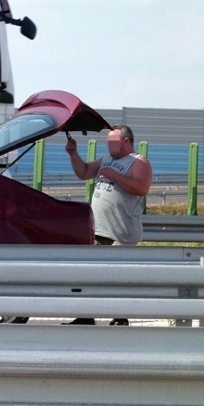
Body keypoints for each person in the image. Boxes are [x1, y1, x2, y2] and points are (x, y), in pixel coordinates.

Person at [64, 124, 153, 326]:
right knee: (89, 274)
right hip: (98, 228)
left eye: (113, 141)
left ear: (126, 141)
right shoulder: (106, 160)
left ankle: (120, 317)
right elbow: (84, 172)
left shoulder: (139, 162)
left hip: (121, 231)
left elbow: (142, 188)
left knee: (116, 277)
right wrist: (73, 153)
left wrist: (116, 176)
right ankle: (86, 316)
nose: (109, 145)